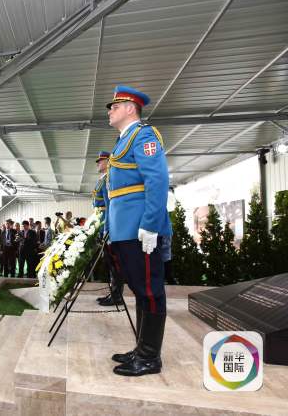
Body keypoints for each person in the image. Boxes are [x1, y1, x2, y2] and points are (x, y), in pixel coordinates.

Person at [104, 85, 171, 377]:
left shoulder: (143, 135)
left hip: (139, 228)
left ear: (131, 108)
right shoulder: (122, 141)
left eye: (115, 106)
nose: (110, 111)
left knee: (150, 290)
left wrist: (150, 225)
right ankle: (142, 348)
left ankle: (149, 357)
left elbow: (157, 180)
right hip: (125, 229)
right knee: (140, 290)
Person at [92, 151, 125, 307]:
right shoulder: (103, 179)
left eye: (101, 160)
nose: (98, 163)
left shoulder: (108, 179)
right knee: (110, 264)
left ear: (108, 161)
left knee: (114, 264)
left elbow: (110, 205)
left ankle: (117, 296)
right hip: (102, 223)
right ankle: (113, 293)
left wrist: (108, 229)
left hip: (108, 224)